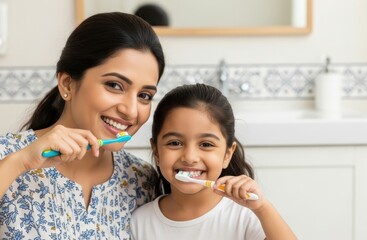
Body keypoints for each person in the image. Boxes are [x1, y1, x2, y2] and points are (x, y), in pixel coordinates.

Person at [0, 12, 165, 239]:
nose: (131, 110)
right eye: (115, 85)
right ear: (67, 83)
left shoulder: (142, 179)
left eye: (145, 95)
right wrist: (20, 162)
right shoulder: (7, 155)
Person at [130, 83, 297, 240]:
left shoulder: (245, 216)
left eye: (206, 144)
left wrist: (262, 208)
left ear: (227, 155)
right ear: (156, 152)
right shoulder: (140, 222)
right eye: (175, 143)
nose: (189, 157)